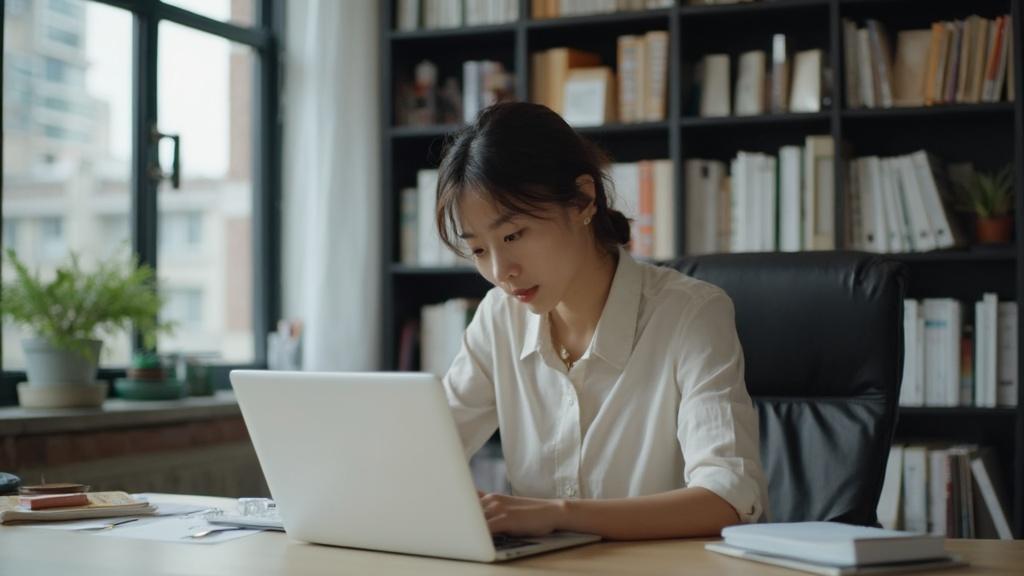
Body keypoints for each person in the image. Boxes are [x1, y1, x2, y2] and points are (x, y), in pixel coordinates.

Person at [435, 102, 766, 540]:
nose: (500, 271)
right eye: (479, 249)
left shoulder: (690, 314)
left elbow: (728, 499)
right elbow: (426, 453)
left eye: (513, 235)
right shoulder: (499, 317)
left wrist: (558, 514)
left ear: (583, 200)